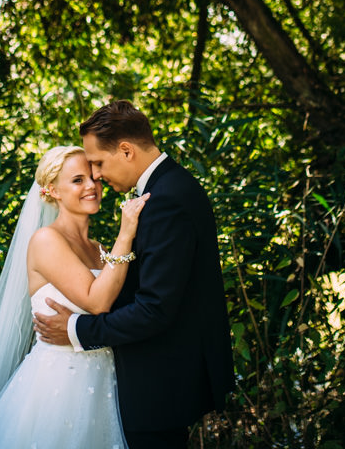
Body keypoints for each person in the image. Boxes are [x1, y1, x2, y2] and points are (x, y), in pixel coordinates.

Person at [35, 100, 235, 449]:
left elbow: (154, 307)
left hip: (160, 383)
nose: (95, 177)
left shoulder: (166, 199)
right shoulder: (169, 189)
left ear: (125, 150)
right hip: (132, 381)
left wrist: (76, 329)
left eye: (96, 163)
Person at [0, 145, 149, 449]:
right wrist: (126, 232)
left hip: (106, 380)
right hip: (58, 386)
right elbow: (97, 303)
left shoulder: (99, 248)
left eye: (95, 178)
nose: (92, 186)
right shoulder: (46, 241)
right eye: (78, 180)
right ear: (52, 190)